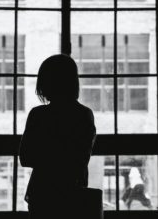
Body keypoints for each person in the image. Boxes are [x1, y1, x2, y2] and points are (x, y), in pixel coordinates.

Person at [19, 54, 96, 219]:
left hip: (42, 193)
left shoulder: (38, 115)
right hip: (74, 192)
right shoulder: (83, 115)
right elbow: (80, 159)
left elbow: (25, 157)